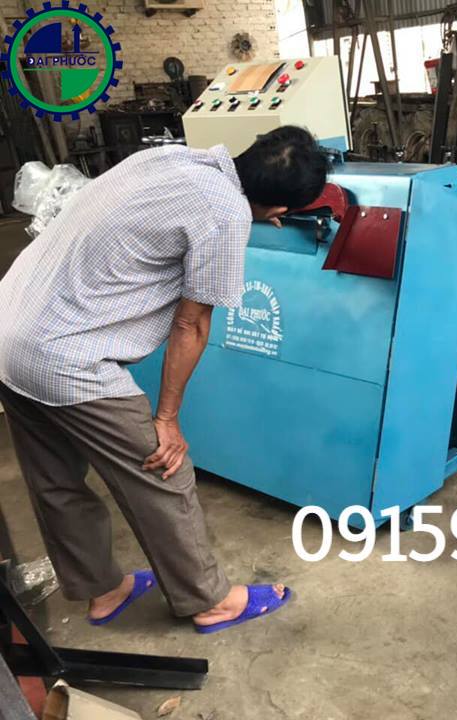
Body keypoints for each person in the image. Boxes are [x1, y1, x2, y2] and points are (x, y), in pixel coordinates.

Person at [0, 126, 328, 633]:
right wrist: (167, 418)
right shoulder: (226, 213)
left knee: (55, 478)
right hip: (66, 356)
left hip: (11, 328)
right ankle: (209, 599)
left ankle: (103, 591)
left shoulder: (169, 159)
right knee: (163, 469)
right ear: (281, 208)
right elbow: (191, 324)